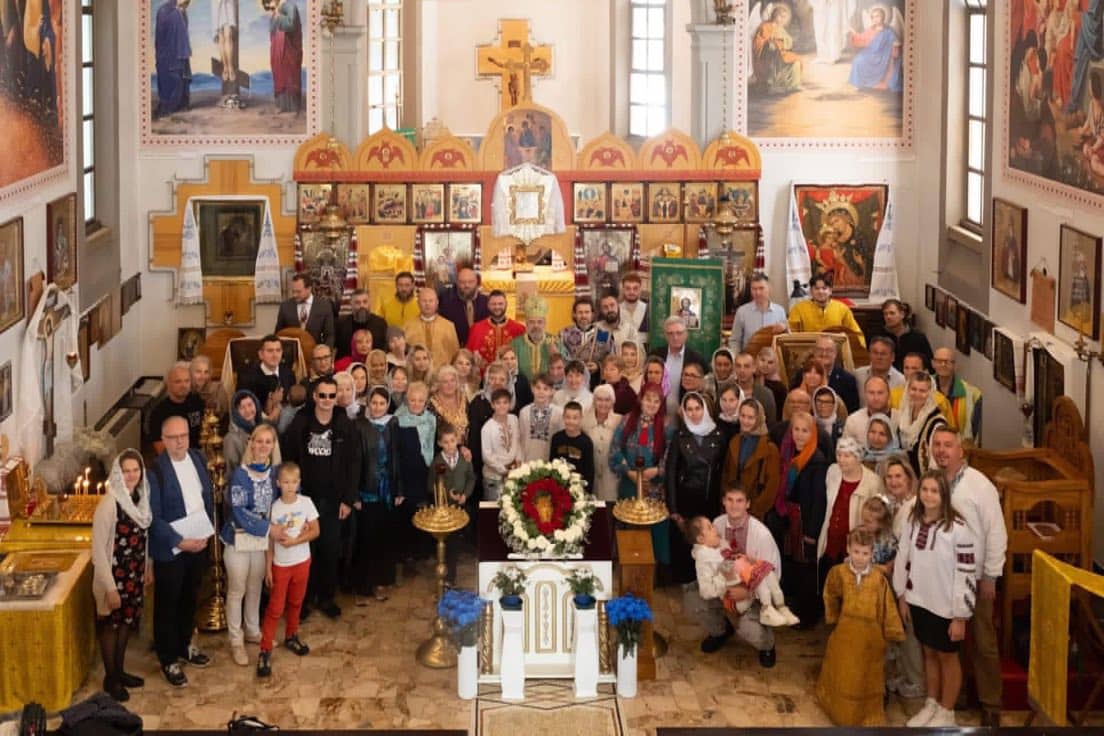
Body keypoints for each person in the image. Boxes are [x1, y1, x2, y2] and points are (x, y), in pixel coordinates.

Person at [931, 427, 1007, 726]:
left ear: (961, 451)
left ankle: (991, 703)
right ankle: (957, 695)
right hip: (942, 575)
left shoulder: (979, 486)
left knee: (983, 641)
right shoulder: (932, 480)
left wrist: (990, 574)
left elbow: (995, 532)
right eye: (937, 445)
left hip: (974, 576)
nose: (941, 451)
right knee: (950, 640)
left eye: (948, 445)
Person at [894, 471, 977, 728]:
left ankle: (946, 709)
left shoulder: (958, 529)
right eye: (925, 490)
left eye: (934, 491)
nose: (929, 496)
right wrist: (902, 595)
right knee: (928, 652)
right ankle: (931, 702)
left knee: (947, 657)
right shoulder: (913, 521)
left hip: (946, 607)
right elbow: (903, 558)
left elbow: (965, 573)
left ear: (944, 495)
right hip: (919, 600)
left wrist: (960, 615)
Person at [280, 376, 360, 620]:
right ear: (314, 396)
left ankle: (326, 598)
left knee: (330, 550)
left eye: (331, 396)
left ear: (337, 398)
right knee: (304, 552)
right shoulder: (301, 422)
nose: (327, 400)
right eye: (322, 395)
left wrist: (347, 499)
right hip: (305, 499)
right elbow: (289, 457)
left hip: (333, 500)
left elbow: (354, 464)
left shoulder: (344, 424)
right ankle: (301, 601)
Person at [148, 416, 215, 688]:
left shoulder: (198, 458)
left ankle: (186, 643)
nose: (180, 442)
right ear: (163, 440)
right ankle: (168, 658)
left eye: (184, 436)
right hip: (172, 549)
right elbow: (154, 517)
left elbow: (206, 496)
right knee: (168, 603)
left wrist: (205, 531)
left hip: (198, 542)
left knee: (191, 596)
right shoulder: (156, 472)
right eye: (173, 437)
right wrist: (180, 541)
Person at [816, 529, 905, 726]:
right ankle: (838, 711)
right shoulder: (839, 572)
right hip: (846, 633)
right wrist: (833, 616)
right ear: (848, 549)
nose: (860, 557)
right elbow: (830, 593)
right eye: (856, 552)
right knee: (843, 672)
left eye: (865, 553)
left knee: (865, 676)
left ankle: (864, 715)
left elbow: (886, 606)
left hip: (870, 638)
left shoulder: (878, 580)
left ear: (872, 553)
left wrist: (891, 631)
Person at [696, 485, 785, 664]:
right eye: (729, 499)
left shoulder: (761, 534)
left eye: (739, 501)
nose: (734, 505)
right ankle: (721, 630)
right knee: (695, 598)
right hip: (725, 584)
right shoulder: (718, 524)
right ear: (723, 501)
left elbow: (772, 573)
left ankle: (767, 644)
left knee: (747, 628)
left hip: (754, 591)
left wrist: (747, 592)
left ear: (748, 504)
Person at [91, 449, 152, 702]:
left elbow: (143, 539)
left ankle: (120, 670)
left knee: (126, 623)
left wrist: (148, 566)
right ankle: (111, 678)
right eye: (126, 471)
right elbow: (97, 552)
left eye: (135, 470)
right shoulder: (109, 504)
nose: (131, 475)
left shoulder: (140, 498)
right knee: (110, 626)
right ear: (118, 472)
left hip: (134, 574)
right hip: (113, 577)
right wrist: (111, 588)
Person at [222, 424, 280, 667]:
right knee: (237, 589)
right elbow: (238, 511)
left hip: (261, 542)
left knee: (255, 586)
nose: (263, 446)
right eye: (259, 441)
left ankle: (253, 630)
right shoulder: (240, 475)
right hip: (239, 539)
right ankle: (236, 640)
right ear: (251, 443)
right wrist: (267, 528)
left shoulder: (275, 473)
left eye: (268, 442)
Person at [767, 410, 829, 626]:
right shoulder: (789, 453)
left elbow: (819, 500)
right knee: (792, 565)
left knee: (806, 570)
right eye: (796, 430)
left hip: (806, 520)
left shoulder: (816, 460)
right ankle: (792, 608)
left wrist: (811, 533)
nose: (800, 435)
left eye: (805, 431)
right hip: (790, 517)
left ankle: (808, 616)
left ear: (813, 433)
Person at [257, 461, 319, 678]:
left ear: (299, 483)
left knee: (296, 601)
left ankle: (292, 635)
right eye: (286, 482)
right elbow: (270, 542)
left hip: (302, 561)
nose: (290, 486)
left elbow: (315, 531)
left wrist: (297, 541)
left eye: (294, 482)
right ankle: (265, 649)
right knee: (275, 607)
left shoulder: (306, 503)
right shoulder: (274, 508)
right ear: (278, 483)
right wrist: (268, 568)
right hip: (281, 565)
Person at [688, 514, 797, 631]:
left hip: (744, 588)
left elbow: (732, 562)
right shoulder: (704, 560)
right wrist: (724, 576)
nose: (714, 528)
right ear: (700, 539)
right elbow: (706, 591)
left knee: (765, 571)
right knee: (755, 572)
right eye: (710, 527)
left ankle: (780, 606)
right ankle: (767, 609)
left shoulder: (718, 547)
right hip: (733, 600)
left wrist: (742, 559)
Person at [611, 383, 675, 566]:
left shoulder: (667, 425)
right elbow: (615, 449)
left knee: (654, 529)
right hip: (629, 484)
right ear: (641, 399)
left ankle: (652, 574)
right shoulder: (627, 420)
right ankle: (628, 567)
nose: (652, 404)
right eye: (648, 399)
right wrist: (629, 472)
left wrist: (657, 470)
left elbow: (670, 456)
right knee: (629, 528)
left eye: (657, 401)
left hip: (653, 487)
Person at [666, 392, 726, 584]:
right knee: (685, 544)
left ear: (705, 409)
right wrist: (673, 508)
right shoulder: (680, 435)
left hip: (709, 499)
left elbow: (724, 471)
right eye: (689, 409)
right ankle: (684, 581)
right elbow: (671, 472)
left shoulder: (718, 435)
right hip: (685, 499)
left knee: (707, 545)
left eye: (697, 408)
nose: (693, 413)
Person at [880, 455, 926, 700]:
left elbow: (910, 549)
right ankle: (903, 674)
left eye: (899, 476)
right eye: (889, 477)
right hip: (894, 575)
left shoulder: (914, 507)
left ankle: (916, 680)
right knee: (899, 628)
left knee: (910, 631)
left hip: (911, 578)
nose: (894, 481)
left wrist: (890, 565)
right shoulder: (894, 504)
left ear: (909, 478)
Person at [352, 387, 402, 604]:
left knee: (384, 536)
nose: (378, 407)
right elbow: (356, 462)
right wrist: (354, 494)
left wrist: (398, 488)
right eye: (374, 403)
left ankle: (381, 581)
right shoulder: (360, 426)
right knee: (366, 538)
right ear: (368, 404)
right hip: (367, 489)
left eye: (382, 403)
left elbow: (396, 457)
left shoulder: (392, 424)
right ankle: (364, 585)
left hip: (387, 489)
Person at [817, 436, 882, 587]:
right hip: (830, 542)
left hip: (855, 548)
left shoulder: (873, 482)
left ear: (858, 457)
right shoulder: (832, 472)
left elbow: (879, 513)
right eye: (839, 454)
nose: (842, 460)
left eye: (847, 456)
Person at [394, 381, 436, 563]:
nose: (416, 404)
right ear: (406, 400)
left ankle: (423, 551)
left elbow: (432, 443)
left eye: (420, 401)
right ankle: (408, 554)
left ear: (426, 402)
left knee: (423, 510)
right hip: (406, 470)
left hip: (424, 469)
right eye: (412, 400)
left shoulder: (431, 419)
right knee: (407, 511)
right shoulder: (398, 419)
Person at [429, 425, 475, 584]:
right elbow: (431, 485)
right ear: (440, 443)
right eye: (446, 442)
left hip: (459, 507)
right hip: (444, 509)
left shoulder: (465, 459)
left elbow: (471, 478)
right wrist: (444, 493)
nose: (449, 445)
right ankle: (445, 574)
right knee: (446, 543)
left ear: (458, 441)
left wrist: (465, 495)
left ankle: (451, 576)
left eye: (452, 441)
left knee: (455, 542)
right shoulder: (437, 461)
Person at [722, 398, 781, 520]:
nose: (745, 421)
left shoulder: (769, 448)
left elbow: (771, 486)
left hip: (755, 513)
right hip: (731, 509)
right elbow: (726, 474)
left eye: (751, 417)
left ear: (758, 419)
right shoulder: (735, 441)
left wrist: (755, 509)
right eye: (742, 416)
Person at [786, 273, 866, 347]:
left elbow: (856, 333)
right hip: (809, 354)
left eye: (824, 288)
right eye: (816, 288)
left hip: (836, 354)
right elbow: (791, 334)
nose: (820, 292)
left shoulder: (842, 309)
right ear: (811, 291)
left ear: (830, 291)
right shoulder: (798, 309)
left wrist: (860, 353)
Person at [650, 316, 707, 418]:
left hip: (686, 416)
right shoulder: (655, 355)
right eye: (670, 333)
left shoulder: (697, 359)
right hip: (657, 414)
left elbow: (704, 388)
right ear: (665, 335)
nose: (675, 337)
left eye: (679, 333)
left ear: (686, 334)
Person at [789, 335, 860, 412]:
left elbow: (852, 411)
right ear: (814, 352)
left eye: (829, 350)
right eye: (820, 350)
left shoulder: (847, 379)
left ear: (835, 353)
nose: (824, 354)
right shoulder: (801, 374)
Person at [896, 371, 949, 474]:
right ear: (908, 389)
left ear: (930, 392)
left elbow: (937, 460)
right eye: (913, 389)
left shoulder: (937, 423)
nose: (917, 394)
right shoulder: (903, 414)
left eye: (922, 391)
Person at [146, 362, 206, 450]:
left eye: (187, 381)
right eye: (178, 381)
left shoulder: (197, 402)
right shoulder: (158, 413)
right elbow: (161, 449)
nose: (184, 385)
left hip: (199, 454)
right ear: (168, 384)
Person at [932, 348, 983, 446]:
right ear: (933, 363)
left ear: (954, 365)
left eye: (947, 362)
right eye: (939, 361)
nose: (943, 365)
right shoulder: (924, 388)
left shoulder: (972, 394)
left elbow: (975, 432)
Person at [238, 335, 295, 423]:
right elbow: (242, 406)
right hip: (255, 422)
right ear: (261, 354)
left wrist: (279, 407)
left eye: (278, 350)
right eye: (270, 351)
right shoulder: (246, 376)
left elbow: (292, 403)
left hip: (285, 421)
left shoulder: (288, 373)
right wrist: (267, 418)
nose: (275, 355)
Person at [847, 5, 903, 92]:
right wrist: (854, 33)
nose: (875, 19)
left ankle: (874, 82)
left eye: (877, 16)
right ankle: (859, 83)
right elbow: (862, 38)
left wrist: (895, 44)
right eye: (873, 17)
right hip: (869, 52)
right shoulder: (871, 29)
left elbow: (895, 42)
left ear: (883, 17)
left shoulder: (888, 30)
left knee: (861, 60)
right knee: (858, 60)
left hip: (882, 55)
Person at [560, 297, 615, 383]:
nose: (583, 316)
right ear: (574, 314)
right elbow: (560, 359)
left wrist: (598, 366)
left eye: (587, 312)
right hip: (572, 380)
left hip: (596, 382)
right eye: (580, 312)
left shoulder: (604, 334)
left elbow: (611, 359)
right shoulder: (564, 334)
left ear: (592, 314)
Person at [467, 290, 525, 370]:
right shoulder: (476, 329)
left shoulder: (519, 329)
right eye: (493, 304)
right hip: (483, 379)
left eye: (500, 304)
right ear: (488, 305)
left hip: (511, 378)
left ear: (506, 305)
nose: (497, 307)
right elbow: (468, 356)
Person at [582, 384, 622, 502]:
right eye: (599, 399)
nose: (603, 403)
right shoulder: (584, 422)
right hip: (590, 477)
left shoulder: (619, 421)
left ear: (612, 402)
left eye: (607, 400)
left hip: (612, 478)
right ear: (594, 401)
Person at [751, 3, 803, 94]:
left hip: (781, 55)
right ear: (775, 15)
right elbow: (758, 42)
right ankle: (773, 84)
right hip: (769, 57)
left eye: (784, 17)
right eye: (781, 16)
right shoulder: (765, 26)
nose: (783, 19)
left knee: (796, 62)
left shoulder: (780, 28)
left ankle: (792, 85)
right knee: (774, 57)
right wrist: (767, 44)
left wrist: (785, 42)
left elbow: (789, 42)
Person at [481, 388, 521, 500]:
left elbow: (518, 443)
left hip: (513, 473)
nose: (502, 406)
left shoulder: (514, 419)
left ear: (510, 404)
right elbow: (487, 456)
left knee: (512, 509)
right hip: (494, 478)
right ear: (492, 405)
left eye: (505, 402)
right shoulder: (487, 427)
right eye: (498, 403)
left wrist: (517, 463)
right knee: (494, 511)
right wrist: (504, 470)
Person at [154, 0, 193, 118]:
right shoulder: (166, 11)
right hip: (169, 56)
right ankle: (167, 107)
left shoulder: (181, 12)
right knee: (173, 79)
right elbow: (161, 39)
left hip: (180, 54)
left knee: (182, 79)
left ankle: (179, 104)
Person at [730, 273, 788, 351]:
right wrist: (737, 359)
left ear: (769, 288)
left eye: (761, 288)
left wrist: (785, 328)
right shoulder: (742, 312)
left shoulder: (780, 311)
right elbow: (735, 340)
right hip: (749, 359)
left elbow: (785, 339)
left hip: (771, 360)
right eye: (754, 289)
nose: (757, 293)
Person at [404, 288, 460, 367]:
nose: (427, 304)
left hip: (442, 374)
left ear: (437, 303)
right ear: (418, 303)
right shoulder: (408, 326)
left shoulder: (448, 326)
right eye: (424, 301)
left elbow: (455, 354)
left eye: (431, 301)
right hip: (416, 374)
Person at [275, 274, 334, 348]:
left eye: (298, 292)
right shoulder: (285, 306)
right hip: (291, 353)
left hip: (315, 353)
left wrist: (325, 353)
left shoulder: (324, 306)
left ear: (309, 289)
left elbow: (329, 335)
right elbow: (278, 333)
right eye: (293, 291)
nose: (294, 295)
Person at [437, 267, 489, 348]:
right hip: (456, 350)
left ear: (477, 282)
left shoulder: (487, 302)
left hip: (481, 350)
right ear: (457, 283)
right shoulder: (446, 304)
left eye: (470, 282)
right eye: (462, 282)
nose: (467, 285)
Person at [890, 352, 952, 418]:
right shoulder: (893, 396)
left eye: (914, 368)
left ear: (925, 372)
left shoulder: (940, 401)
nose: (910, 372)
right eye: (906, 368)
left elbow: (949, 427)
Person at [267, 0, 304, 113]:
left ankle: (292, 108)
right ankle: (281, 105)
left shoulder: (291, 6)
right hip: (277, 49)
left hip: (289, 49)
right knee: (279, 73)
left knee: (289, 74)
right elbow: (271, 30)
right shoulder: (276, 9)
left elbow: (291, 25)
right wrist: (274, 15)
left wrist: (278, 16)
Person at [550, 401, 595, 491]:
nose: (571, 421)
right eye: (568, 417)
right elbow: (551, 463)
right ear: (563, 417)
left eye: (575, 418)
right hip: (559, 487)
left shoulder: (586, 442)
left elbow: (589, 471)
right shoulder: (556, 438)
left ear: (581, 418)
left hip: (578, 488)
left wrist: (586, 492)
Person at [511, 297, 559, 380]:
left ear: (545, 323)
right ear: (526, 323)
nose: (536, 325)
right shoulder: (516, 343)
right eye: (532, 322)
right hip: (523, 389)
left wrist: (557, 356)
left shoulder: (553, 340)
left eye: (539, 322)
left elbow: (566, 366)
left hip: (549, 388)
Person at [519, 374, 563, 462]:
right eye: (538, 388)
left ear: (551, 391)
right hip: (528, 462)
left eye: (545, 389)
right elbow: (521, 438)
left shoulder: (559, 413)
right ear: (532, 388)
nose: (541, 392)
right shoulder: (524, 412)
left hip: (549, 462)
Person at [879, 299, 933, 371]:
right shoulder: (879, 337)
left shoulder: (919, 338)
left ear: (902, 314)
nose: (888, 317)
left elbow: (929, 365)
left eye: (892, 313)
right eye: (885, 314)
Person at [843, 375, 899, 444]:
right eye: (871, 393)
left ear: (889, 394)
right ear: (865, 395)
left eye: (880, 393)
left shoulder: (900, 419)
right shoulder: (853, 421)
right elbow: (845, 450)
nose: (876, 398)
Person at [336, 288, 387, 361]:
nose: (362, 306)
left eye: (365, 302)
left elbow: (384, 350)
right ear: (351, 304)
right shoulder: (341, 324)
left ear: (369, 303)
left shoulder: (380, 323)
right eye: (357, 303)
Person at [732, 352, 778, 431]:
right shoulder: (726, 391)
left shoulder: (766, 394)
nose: (742, 370)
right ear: (734, 368)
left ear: (754, 368)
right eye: (738, 366)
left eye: (746, 366)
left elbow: (771, 425)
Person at [429, 365, 471, 447]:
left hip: (466, 450)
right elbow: (433, 435)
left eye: (452, 380)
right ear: (439, 384)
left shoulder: (463, 398)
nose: (449, 384)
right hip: (442, 450)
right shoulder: (431, 404)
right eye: (445, 382)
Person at [756, 347, 788, 421]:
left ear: (775, 365)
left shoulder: (780, 388)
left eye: (770, 362)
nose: (765, 365)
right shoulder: (750, 378)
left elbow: (779, 414)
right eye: (762, 360)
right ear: (757, 360)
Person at [498, 345, 533, 410]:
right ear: (500, 361)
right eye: (505, 359)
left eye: (512, 358)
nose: (509, 362)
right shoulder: (493, 379)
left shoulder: (522, 379)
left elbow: (529, 403)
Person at [619, 272, 650, 346]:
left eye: (635, 288)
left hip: (643, 354)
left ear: (640, 289)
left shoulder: (648, 309)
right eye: (628, 288)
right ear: (623, 289)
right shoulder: (617, 309)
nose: (631, 292)